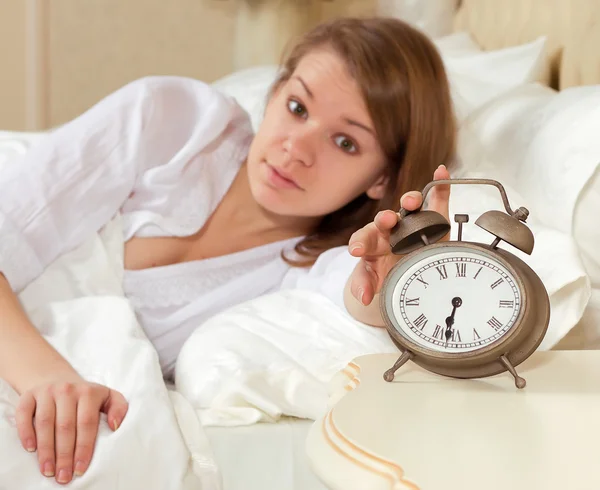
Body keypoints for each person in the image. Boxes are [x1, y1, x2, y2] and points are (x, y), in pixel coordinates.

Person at [0, 16, 455, 485]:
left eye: (345, 142)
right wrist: (47, 378)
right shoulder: (174, 120)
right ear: (274, 93)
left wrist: (412, 283)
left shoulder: (314, 267)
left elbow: (361, 297)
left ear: (381, 178)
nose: (295, 148)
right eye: (297, 107)